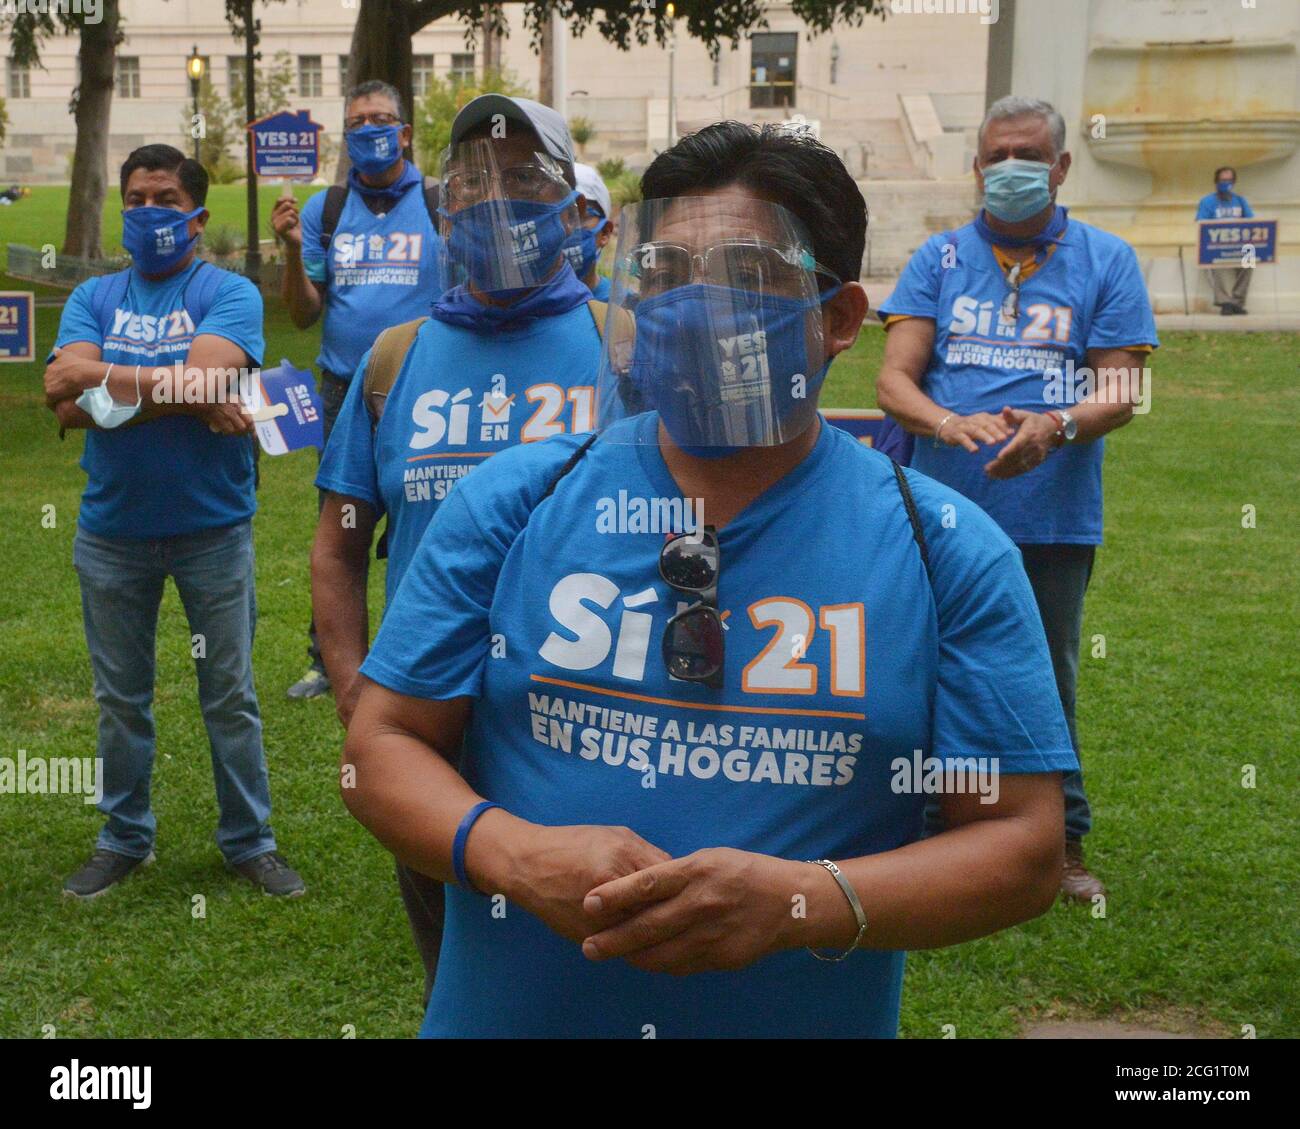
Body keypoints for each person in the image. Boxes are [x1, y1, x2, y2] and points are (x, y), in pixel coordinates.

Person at [341, 121, 1078, 1038]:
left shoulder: (947, 550)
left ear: (840, 319)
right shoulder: (515, 501)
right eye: (664, 276)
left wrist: (803, 901)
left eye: (748, 276)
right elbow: (381, 745)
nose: (696, 307)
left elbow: (1021, 844)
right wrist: (514, 854)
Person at [312, 94, 603, 1004]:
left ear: (571, 205)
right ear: (443, 204)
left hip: (589, 722)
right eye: (474, 181)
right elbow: (339, 544)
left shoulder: (625, 347)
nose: (494, 200)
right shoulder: (395, 358)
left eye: (521, 179)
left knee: (594, 961)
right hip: (431, 727)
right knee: (459, 969)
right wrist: (359, 691)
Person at [875, 95, 1158, 903]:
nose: (1009, 170)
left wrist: (1055, 426)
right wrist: (946, 420)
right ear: (975, 166)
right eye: (995, 155)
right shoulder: (940, 258)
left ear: (1062, 166)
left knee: (1043, 674)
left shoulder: (1106, 260)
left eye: (1027, 154)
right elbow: (894, 376)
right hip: (940, 509)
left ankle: (1060, 842)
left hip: (1051, 514)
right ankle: (929, 824)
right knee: (925, 666)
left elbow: (1124, 389)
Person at [42, 144, 303, 899]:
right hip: (110, 531)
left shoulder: (230, 293)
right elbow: (64, 400)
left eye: (163, 198)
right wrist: (186, 391)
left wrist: (106, 384)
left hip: (212, 529)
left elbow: (196, 376)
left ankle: (249, 841)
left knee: (230, 695)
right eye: (135, 199)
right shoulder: (94, 295)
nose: (147, 212)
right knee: (121, 698)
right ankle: (124, 838)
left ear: (197, 216)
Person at [272, 80, 443, 701]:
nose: (369, 131)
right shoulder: (328, 208)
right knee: (341, 523)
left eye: (381, 120)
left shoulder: (439, 201)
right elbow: (300, 314)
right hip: (344, 390)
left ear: (404, 132)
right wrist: (292, 253)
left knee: (422, 521)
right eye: (357, 122)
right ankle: (329, 658)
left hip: (423, 384)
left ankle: (414, 653)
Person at [1195, 166, 1255, 315]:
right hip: (1216, 247)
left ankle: (1237, 302)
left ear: (1233, 182)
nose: (1226, 183)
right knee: (1215, 263)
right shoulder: (1207, 201)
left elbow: (1251, 221)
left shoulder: (1240, 201)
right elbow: (1200, 223)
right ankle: (1225, 302)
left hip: (1238, 245)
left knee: (1249, 261)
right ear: (1216, 182)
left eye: (1229, 180)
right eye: (1223, 180)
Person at [563, 161, 616, 299]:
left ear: (605, 232)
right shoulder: (517, 309)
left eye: (577, 217)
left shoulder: (623, 306)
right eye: (555, 216)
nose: (565, 228)